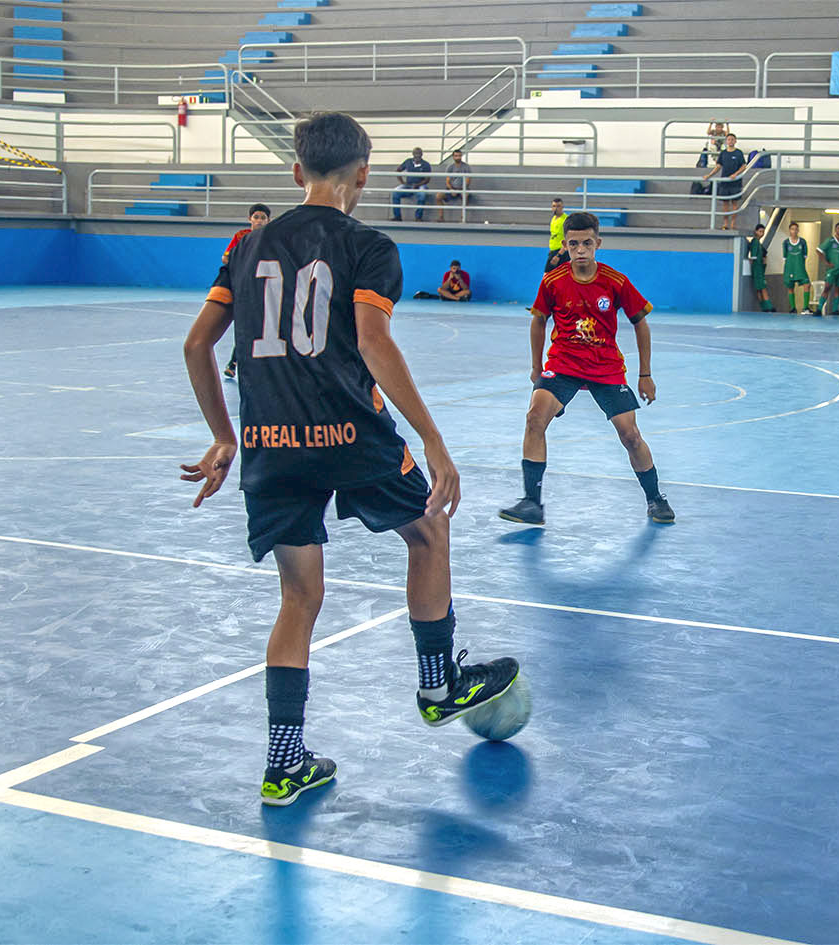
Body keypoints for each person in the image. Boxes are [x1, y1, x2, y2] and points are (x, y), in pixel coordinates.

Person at [180, 112, 518, 807]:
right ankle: (437, 683)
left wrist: (224, 435)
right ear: (363, 173)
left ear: (295, 170)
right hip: (348, 433)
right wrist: (430, 436)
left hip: (272, 444)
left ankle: (283, 763)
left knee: (298, 596)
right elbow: (372, 340)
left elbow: (196, 346)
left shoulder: (245, 243)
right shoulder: (369, 244)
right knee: (427, 530)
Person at [498, 211, 674, 526]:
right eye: (574, 243)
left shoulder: (615, 281)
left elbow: (641, 324)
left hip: (605, 367)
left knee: (630, 435)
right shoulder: (553, 281)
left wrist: (644, 375)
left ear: (598, 243)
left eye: (587, 243)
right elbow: (538, 320)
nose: (580, 249)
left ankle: (655, 499)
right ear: (564, 245)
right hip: (563, 362)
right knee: (534, 418)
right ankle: (532, 503)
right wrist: (536, 367)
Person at [220, 202, 271, 379]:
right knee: (245, 325)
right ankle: (233, 363)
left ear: (268, 220)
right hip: (244, 287)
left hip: (265, 288)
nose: (259, 221)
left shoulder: (271, 238)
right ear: (250, 219)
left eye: (263, 218)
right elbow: (226, 258)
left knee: (262, 326)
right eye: (256, 217)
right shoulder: (241, 236)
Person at [703, 132, 749, 229]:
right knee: (725, 204)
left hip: (735, 182)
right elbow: (718, 166)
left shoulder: (738, 153)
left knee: (734, 203)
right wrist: (709, 175)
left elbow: (744, 166)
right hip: (724, 182)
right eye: (729, 139)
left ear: (735, 141)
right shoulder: (723, 153)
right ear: (726, 141)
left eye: (732, 139)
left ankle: (733, 223)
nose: (730, 141)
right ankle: (725, 224)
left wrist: (735, 174)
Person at [390, 147, 431, 221]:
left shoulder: (426, 164)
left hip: (420, 185)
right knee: (395, 192)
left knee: (422, 194)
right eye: (416, 153)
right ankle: (397, 216)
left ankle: (418, 217)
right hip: (408, 185)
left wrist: (417, 185)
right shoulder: (408, 161)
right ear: (413, 154)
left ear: (422, 154)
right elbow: (398, 170)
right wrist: (402, 182)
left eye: (419, 154)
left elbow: (427, 179)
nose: (417, 155)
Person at [815, 221, 839, 316]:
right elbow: (818, 250)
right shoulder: (830, 240)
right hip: (832, 270)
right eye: (838, 228)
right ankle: (819, 309)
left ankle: (835, 309)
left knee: (838, 289)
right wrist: (826, 262)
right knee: (827, 288)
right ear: (835, 230)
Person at [781, 221, 811, 314]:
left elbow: (805, 256)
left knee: (807, 284)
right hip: (790, 268)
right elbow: (785, 257)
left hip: (800, 268)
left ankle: (805, 308)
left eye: (796, 229)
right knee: (790, 288)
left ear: (798, 230)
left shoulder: (802, 242)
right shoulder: (786, 243)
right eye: (792, 229)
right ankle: (793, 308)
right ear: (789, 230)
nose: (794, 231)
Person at [434, 149, 471, 222]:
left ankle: (462, 218)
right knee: (438, 196)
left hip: (463, 189)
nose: (458, 157)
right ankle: (441, 217)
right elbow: (447, 181)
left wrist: (460, 189)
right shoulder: (450, 167)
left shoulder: (466, 167)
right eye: (456, 156)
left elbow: (468, 181)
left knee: (465, 196)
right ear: (453, 157)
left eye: (459, 156)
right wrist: (451, 190)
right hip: (451, 188)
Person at [747, 223, 773, 311]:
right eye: (760, 231)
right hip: (757, 268)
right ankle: (768, 306)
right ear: (756, 231)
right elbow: (754, 256)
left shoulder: (758, 243)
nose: (762, 233)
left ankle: (764, 307)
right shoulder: (755, 242)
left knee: (759, 288)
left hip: (759, 268)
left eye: (763, 232)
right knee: (762, 288)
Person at [545, 197, 568, 272]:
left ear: (562, 207)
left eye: (558, 206)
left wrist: (558, 255)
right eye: (554, 206)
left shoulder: (566, 220)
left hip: (561, 252)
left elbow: (568, 239)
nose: (556, 208)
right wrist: (551, 250)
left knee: (547, 275)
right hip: (553, 251)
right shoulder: (553, 219)